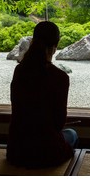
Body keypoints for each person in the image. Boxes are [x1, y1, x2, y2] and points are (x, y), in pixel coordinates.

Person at [7, 21, 78, 168]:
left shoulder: (20, 71)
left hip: (17, 151)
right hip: (46, 153)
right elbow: (59, 123)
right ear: (55, 46)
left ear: (33, 41)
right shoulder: (60, 77)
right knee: (72, 134)